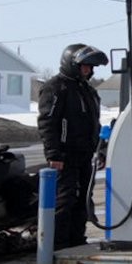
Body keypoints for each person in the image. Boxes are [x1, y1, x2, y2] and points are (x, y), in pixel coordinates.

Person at [37, 43, 107, 249]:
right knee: (64, 199)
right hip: (64, 156)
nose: (89, 70)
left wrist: (99, 150)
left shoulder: (87, 89)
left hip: (85, 155)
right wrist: (53, 154)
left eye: (91, 67)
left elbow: (94, 121)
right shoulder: (56, 87)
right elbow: (47, 122)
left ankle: (77, 240)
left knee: (83, 199)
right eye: (85, 66)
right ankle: (57, 245)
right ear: (73, 64)